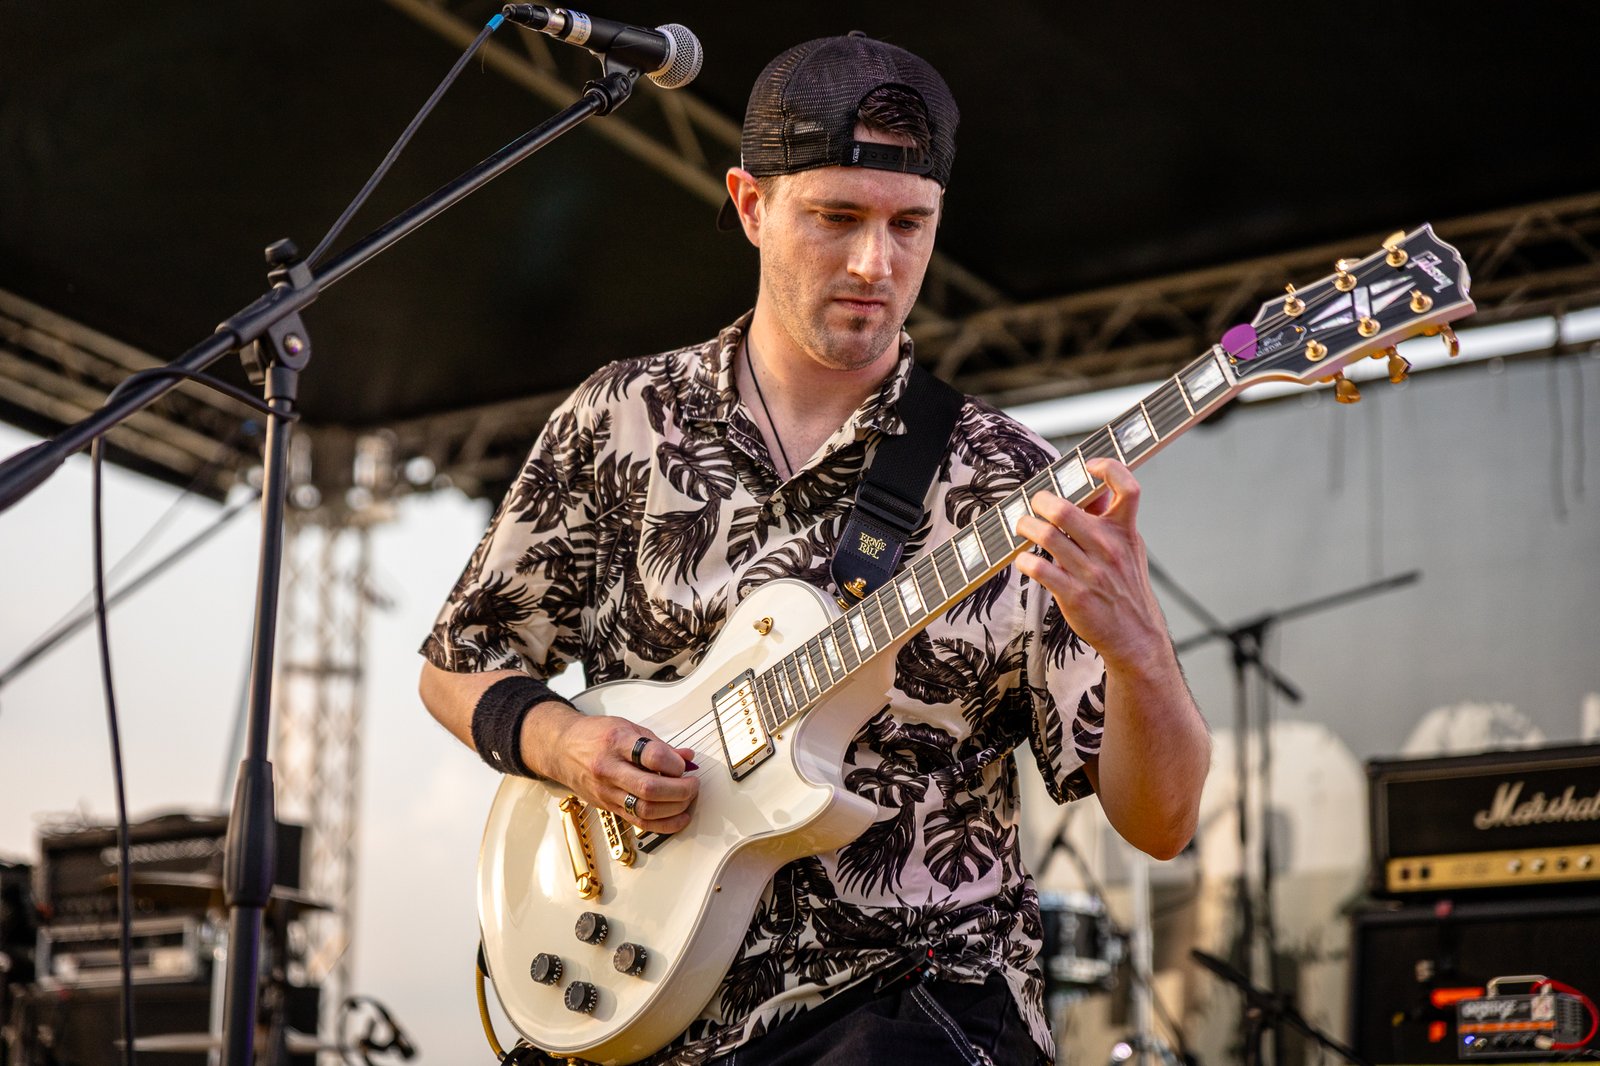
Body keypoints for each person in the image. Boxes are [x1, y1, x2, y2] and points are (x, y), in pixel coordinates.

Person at [419, 31, 1209, 1066]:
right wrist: (563, 743)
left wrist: (1139, 650)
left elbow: (1161, 823)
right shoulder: (623, 419)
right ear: (751, 205)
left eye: (908, 224)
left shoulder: (1010, 482)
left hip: (908, 1001)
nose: (876, 264)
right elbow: (459, 662)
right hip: (633, 1000)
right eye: (837, 218)